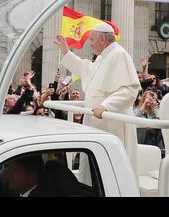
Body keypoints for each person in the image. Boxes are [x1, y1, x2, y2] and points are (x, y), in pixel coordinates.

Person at [55, 22, 141, 177]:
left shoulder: (119, 54)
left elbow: (129, 90)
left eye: (92, 39)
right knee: (93, 172)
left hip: (112, 122)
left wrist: (106, 106)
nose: (90, 43)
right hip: (97, 122)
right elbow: (85, 69)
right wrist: (66, 52)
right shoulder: (103, 57)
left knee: (110, 173)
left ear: (102, 39)